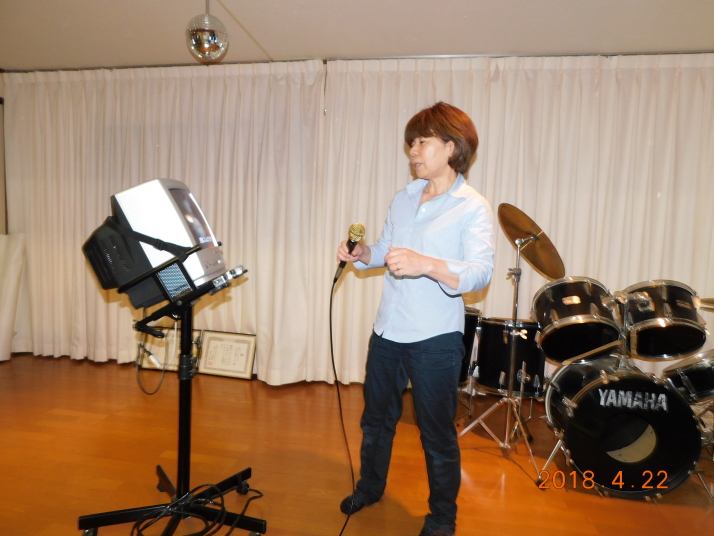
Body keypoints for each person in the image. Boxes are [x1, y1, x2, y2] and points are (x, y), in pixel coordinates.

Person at [336, 102, 495, 536]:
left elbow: (480, 273)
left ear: (451, 147)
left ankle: (442, 517)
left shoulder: (472, 207)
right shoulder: (403, 198)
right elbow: (385, 252)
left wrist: (426, 264)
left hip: (435, 340)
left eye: (423, 142)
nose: (413, 151)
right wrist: (362, 253)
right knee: (375, 421)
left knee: (435, 433)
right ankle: (370, 488)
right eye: (412, 143)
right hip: (388, 331)